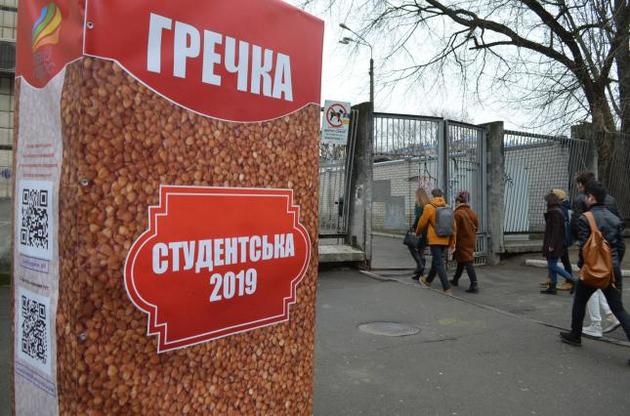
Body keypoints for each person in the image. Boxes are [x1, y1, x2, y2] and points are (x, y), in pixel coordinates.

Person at [560, 181, 630, 366]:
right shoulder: (615, 219)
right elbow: (621, 247)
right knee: (618, 308)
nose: (585, 198)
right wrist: (614, 263)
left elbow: (585, 247)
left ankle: (575, 335)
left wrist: (582, 265)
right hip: (612, 270)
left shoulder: (586, 218)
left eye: (587, 196)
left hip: (593, 270)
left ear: (591, 198)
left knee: (580, 300)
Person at [416, 188, 457, 294]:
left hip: (435, 240)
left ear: (432, 195)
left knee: (438, 263)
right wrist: (452, 241)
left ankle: (447, 288)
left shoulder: (429, 207)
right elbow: (453, 226)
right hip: (446, 238)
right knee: (436, 261)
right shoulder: (447, 207)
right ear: (441, 196)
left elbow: (422, 223)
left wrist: (417, 232)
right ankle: (428, 281)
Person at [541, 192, 577, 294]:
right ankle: (552, 287)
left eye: (547, 201)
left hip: (554, 244)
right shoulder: (557, 211)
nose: (546, 203)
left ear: (550, 201)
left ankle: (573, 280)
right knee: (551, 264)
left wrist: (551, 245)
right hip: (556, 243)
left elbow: (555, 231)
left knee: (552, 265)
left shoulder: (555, 213)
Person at [449, 191, 479, 293]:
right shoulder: (472, 212)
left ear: (458, 201)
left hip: (462, 241)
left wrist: (451, 242)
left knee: (467, 261)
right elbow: (477, 227)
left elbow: (454, 229)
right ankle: (455, 280)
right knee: (461, 261)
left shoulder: (457, 213)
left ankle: (474, 284)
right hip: (471, 240)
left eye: (456, 201)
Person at [408, 188, 430, 280]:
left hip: (420, 230)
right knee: (421, 250)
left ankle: (420, 265)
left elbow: (418, 218)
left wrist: (413, 227)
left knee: (411, 246)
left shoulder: (418, 204)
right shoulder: (428, 204)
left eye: (416, 195)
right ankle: (420, 274)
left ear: (419, 195)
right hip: (427, 231)